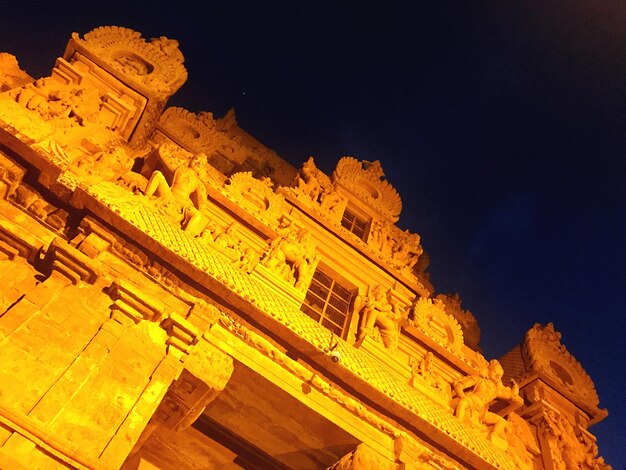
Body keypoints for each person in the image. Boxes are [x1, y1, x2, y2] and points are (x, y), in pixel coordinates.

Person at [453, 360, 523, 437]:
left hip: (481, 411)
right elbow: (459, 385)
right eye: (495, 372)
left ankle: (493, 435)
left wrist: (515, 390)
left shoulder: (496, 390)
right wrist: (463, 396)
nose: (497, 375)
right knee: (463, 403)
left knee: (502, 421)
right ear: (488, 371)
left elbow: (511, 397)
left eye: (499, 375)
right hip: (471, 401)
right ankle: (458, 422)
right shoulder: (480, 380)